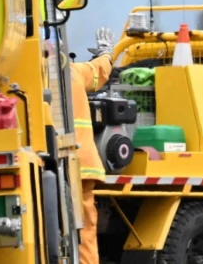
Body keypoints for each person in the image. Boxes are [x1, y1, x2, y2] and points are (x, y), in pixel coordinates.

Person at [73, 27, 116, 264]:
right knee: (84, 229)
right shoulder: (71, 72)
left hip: (48, 166)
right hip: (82, 166)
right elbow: (99, 71)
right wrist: (106, 53)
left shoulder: (25, 75)